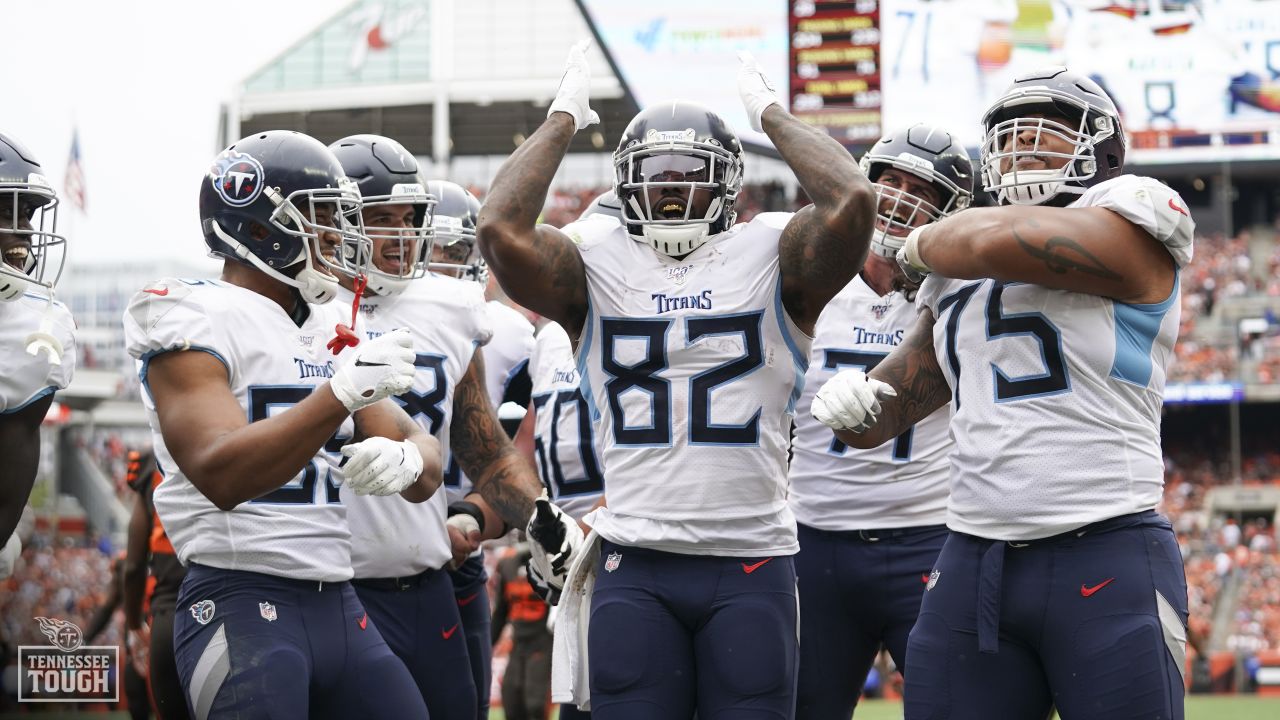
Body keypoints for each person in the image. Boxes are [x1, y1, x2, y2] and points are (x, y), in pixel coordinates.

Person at [477, 42, 875, 718]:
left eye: (690, 172)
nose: (669, 187)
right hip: (638, 559)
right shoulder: (593, 261)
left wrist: (770, 114)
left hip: (753, 558)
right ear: (624, 181)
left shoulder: (772, 252)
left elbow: (853, 198)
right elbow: (500, 227)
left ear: (728, 181)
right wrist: (562, 118)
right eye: (652, 173)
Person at [811, 66, 1194, 720]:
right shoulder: (957, 266)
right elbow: (895, 405)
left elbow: (990, 238)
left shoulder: (1128, 211)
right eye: (1010, 142)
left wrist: (927, 240)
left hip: (1105, 545)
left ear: (1097, 151)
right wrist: (857, 403)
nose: (1020, 155)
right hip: (969, 557)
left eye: (1042, 140)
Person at [124, 130, 446, 719]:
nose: (338, 235)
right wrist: (340, 392)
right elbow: (221, 474)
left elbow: (424, 462)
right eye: (322, 216)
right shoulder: (192, 314)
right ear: (260, 225)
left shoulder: (326, 324)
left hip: (339, 600)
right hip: (238, 597)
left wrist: (409, 459)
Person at [328, 137, 552, 720]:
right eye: (382, 220)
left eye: (410, 220)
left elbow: (487, 453)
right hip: (328, 582)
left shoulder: (449, 307)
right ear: (339, 219)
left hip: (426, 579)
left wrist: (542, 517)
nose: (402, 238)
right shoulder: (301, 306)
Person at [789, 124, 974, 719]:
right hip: (815, 539)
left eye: (922, 189)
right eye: (888, 181)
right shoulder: (804, 281)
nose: (898, 199)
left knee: (956, 706)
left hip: (930, 537)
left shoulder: (964, 292)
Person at [426, 178, 538, 720]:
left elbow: (514, 455)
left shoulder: (509, 334)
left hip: (464, 540)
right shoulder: (359, 324)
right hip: (380, 545)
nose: (452, 263)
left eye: (462, 250)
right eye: (440, 249)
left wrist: (477, 516)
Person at [0, 132, 75, 578]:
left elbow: (11, 467)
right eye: (6, 212)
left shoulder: (33, 325)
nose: (26, 231)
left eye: (27, 214)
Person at [121, 449, 189, 720]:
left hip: (169, 613)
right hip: (229, 603)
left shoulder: (151, 460)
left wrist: (135, 624)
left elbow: (134, 565)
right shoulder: (235, 436)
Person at [491, 543, 554, 720]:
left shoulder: (551, 565)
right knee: (511, 700)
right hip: (519, 642)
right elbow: (501, 611)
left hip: (543, 640)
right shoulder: (507, 566)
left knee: (535, 704)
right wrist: (487, 643)